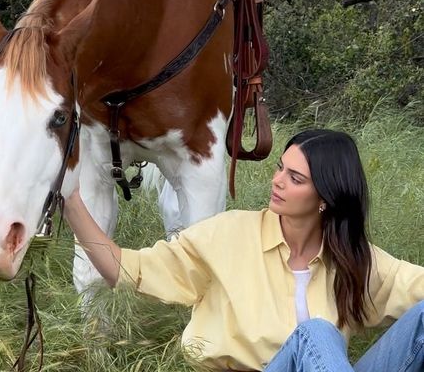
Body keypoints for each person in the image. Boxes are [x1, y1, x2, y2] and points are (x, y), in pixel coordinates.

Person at [64, 129, 424, 371]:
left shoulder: (352, 259)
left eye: (295, 179)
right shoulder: (230, 234)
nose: (277, 180)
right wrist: (71, 200)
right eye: (281, 168)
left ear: (326, 199)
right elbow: (129, 269)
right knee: (317, 333)